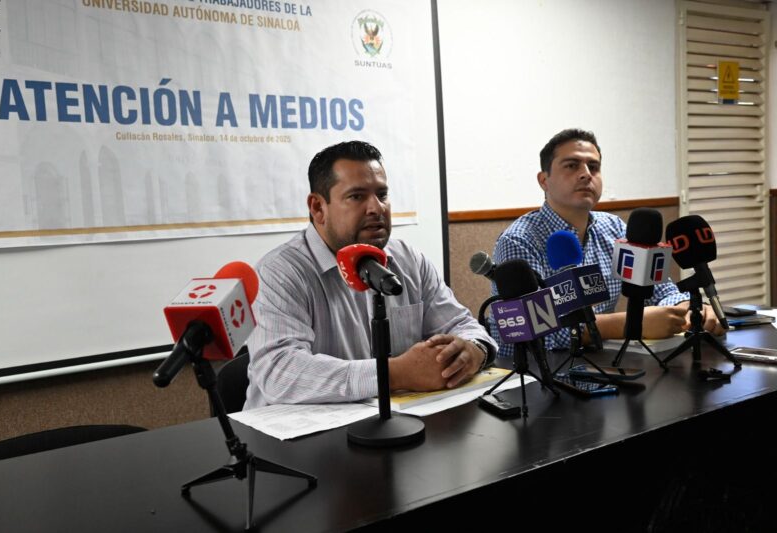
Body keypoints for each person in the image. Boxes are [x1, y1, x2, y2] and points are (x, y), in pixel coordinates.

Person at [245, 141, 497, 408]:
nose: (376, 208)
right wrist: (394, 373)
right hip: (295, 431)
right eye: (357, 196)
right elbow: (279, 372)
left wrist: (474, 351)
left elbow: (462, 325)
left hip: (390, 420)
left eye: (382, 194)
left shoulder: (409, 260)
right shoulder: (278, 273)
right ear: (318, 208)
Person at [491, 128, 725, 357]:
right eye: (572, 165)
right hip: (535, 372)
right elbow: (530, 334)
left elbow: (662, 291)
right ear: (544, 180)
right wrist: (627, 323)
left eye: (593, 167)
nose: (586, 174)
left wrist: (688, 307)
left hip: (601, 363)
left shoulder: (612, 227)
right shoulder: (519, 241)